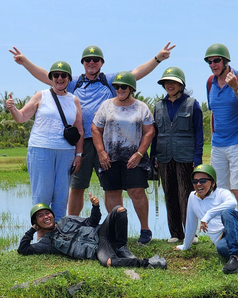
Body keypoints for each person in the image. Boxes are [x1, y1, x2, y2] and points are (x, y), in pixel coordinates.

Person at [10, 43, 176, 217]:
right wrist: (25, 62)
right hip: (81, 143)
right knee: (77, 186)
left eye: (95, 60)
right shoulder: (74, 81)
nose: (91, 63)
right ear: (83, 63)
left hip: (107, 143)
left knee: (111, 187)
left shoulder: (110, 81)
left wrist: (157, 59)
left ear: (101, 63)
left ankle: (115, 225)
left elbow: (134, 74)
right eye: (87, 60)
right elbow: (48, 77)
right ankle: (73, 223)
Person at [5, 61, 83, 221]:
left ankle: (58, 238)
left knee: (61, 198)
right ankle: (41, 239)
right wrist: (13, 108)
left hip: (66, 152)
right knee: (42, 198)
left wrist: (79, 154)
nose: (59, 79)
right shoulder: (42, 95)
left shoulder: (74, 100)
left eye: (63, 76)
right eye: (56, 75)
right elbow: (21, 117)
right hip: (41, 150)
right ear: (51, 78)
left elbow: (79, 129)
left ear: (69, 79)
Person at [174, 164, 238, 279]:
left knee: (227, 212)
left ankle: (235, 255)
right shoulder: (192, 197)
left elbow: (232, 203)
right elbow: (191, 224)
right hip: (224, 240)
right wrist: (185, 246)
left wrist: (208, 215)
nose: (198, 184)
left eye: (203, 181)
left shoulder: (222, 193)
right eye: (195, 181)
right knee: (221, 248)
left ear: (213, 183)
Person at [17, 194, 166, 269]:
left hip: (102, 233)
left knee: (119, 210)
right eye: (40, 216)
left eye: (47, 213)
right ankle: (150, 263)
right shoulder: (47, 243)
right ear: (36, 222)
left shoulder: (67, 219)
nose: (46, 217)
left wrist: (95, 206)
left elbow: (91, 222)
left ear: (52, 214)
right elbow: (23, 249)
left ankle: (121, 247)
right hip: (99, 249)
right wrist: (32, 230)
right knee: (107, 262)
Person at [91, 71, 156, 245]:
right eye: (117, 87)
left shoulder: (141, 107)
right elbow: (95, 129)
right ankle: (117, 231)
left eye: (123, 87)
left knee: (137, 192)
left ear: (131, 89)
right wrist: (101, 152)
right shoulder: (106, 106)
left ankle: (145, 229)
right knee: (112, 193)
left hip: (134, 158)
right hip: (109, 158)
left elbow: (149, 132)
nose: (120, 89)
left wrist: (139, 153)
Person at [151, 66, 204, 244]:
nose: (170, 85)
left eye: (173, 82)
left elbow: (199, 133)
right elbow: (154, 134)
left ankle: (191, 233)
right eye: (167, 82)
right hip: (164, 156)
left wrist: (197, 158)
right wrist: (153, 158)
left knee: (186, 195)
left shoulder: (192, 104)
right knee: (169, 195)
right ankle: (175, 233)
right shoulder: (159, 106)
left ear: (181, 85)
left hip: (185, 156)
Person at [204, 43, 238, 219]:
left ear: (225, 61)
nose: (213, 65)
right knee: (219, 190)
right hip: (218, 145)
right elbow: (213, 112)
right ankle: (225, 230)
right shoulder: (210, 82)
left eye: (216, 61)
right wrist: (213, 135)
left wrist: (236, 87)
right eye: (209, 62)